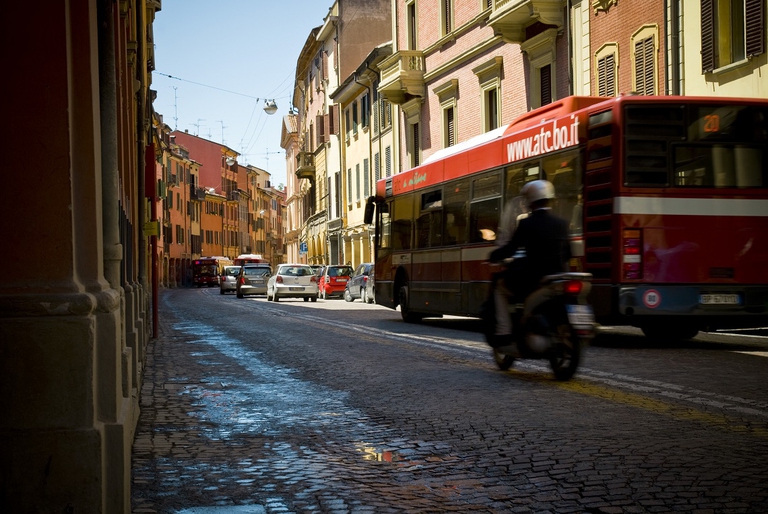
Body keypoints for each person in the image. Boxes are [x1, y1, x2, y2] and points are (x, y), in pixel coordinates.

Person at [487, 180, 572, 347]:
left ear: (530, 201)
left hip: (533, 280)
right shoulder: (561, 224)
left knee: (499, 287)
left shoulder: (526, 223)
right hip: (557, 278)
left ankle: (503, 331)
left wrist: (493, 255)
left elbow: (511, 248)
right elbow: (568, 253)